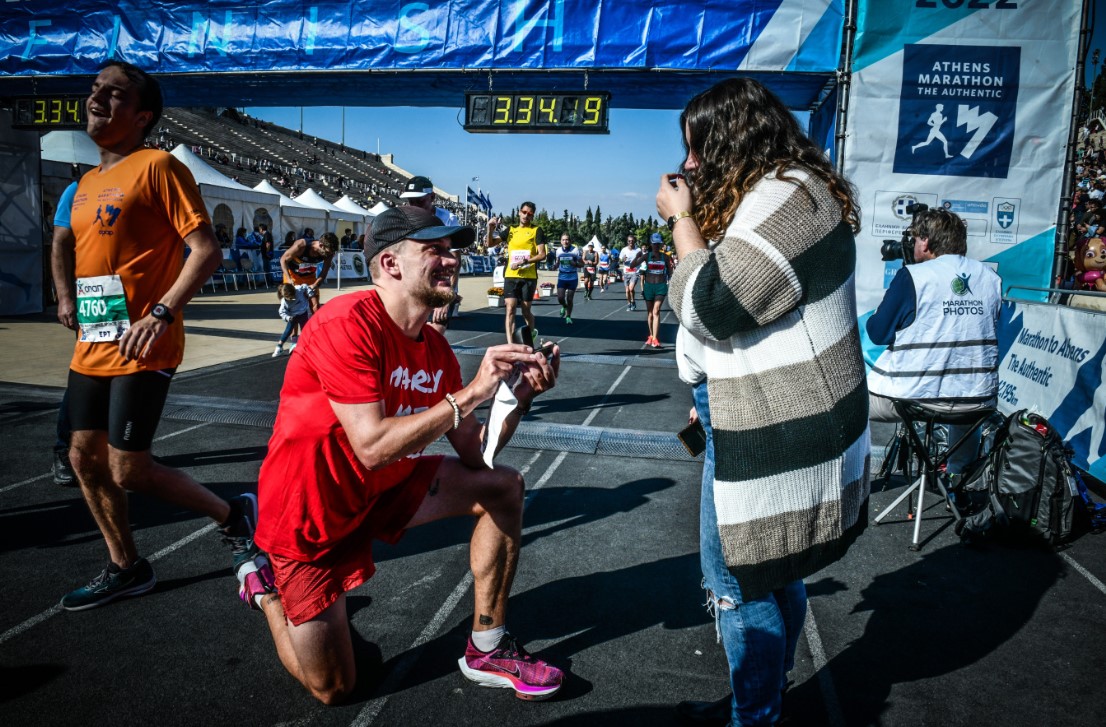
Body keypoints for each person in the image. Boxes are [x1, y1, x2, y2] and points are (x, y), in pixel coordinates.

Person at [247, 206, 564, 704]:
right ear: (391, 264)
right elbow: (371, 447)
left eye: (452, 249)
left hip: (380, 490)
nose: (452, 260)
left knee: (502, 484)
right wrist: (474, 392)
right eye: (435, 250)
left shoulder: (434, 350)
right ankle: (265, 589)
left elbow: (479, 456)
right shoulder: (344, 323)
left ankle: (488, 645)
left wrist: (516, 398)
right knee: (334, 688)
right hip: (310, 514)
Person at [655, 77, 870, 726]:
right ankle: (767, 690)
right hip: (748, 405)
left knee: (736, 580)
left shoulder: (786, 196)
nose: (690, 165)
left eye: (696, 149)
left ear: (731, 138)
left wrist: (681, 218)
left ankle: (755, 713)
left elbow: (716, 302)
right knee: (773, 568)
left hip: (767, 421)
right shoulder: (784, 192)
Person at [52, 61, 258, 611]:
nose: (98, 99)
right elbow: (70, 248)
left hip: (146, 341)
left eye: (115, 95)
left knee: (128, 467)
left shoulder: (158, 167)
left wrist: (161, 313)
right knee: (82, 458)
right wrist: (68, 296)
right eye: (95, 89)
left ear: (142, 117)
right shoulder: (85, 183)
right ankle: (126, 566)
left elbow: (206, 249)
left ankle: (232, 513)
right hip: (94, 339)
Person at [866, 207, 1001, 482]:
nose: (914, 244)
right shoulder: (991, 278)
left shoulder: (913, 277)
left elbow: (878, 334)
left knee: (844, 403)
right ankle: (958, 479)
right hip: (978, 402)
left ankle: (846, 478)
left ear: (925, 242)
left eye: (916, 239)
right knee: (963, 399)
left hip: (914, 399)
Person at [49, 180, 79, 487]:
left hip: (134, 304)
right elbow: (59, 243)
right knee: (84, 379)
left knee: (130, 378)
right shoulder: (80, 188)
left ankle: (126, 452)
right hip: (95, 301)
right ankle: (63, 449)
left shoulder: (145, 180)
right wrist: (65, 296)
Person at [488, 201, 546, 345]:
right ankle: (510, 344)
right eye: (524, 212)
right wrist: (490, 229)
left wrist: (524, 262)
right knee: (510, 309)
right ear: (519, 212)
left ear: (533, 216)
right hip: (511, 275)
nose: (526, 215)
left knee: (526, 312)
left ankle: (530, 340)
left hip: (529, 277)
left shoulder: (536, 230)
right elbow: (490, 244)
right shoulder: (511, 229)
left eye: (530, 214)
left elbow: (542, 254)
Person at [280, 231, 337, 313]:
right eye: (327, 252)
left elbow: (324, 271)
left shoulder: (330, 253)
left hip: (310, 277)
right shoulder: (301, 245)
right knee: (293, 308)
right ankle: (293, 324)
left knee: (315, 306)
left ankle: (315, 324)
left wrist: (316, 284)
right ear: (321, 245)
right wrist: (289, 279)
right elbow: (283, 260)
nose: (329, 255)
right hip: (293, 275)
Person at [641, 232, 672, 348]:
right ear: (651, 244)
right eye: (654, 244)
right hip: (649, 286)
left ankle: (655, 338)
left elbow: (669, 270)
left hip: (660, 286)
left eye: (658, 244)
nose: (656, 246)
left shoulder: (665, 256)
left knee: (656, 310)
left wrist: (670, 279)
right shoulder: (647, 256)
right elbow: (636, 265)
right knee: (650, 314)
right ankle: (651, 335)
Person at [272, 282, 313, 357]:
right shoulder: (284, 302)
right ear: (285, 296)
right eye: (290, 298)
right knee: (288, 331)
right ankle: (279, 347)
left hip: (303, 313)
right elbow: (281, 312)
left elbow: (305, 286)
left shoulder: (299, 289)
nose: (292, 299)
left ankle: (307, 346)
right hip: (292, 317)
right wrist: (287, 318)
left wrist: (310, 293)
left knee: (305, 330)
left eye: (293, 297)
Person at [553, 232, 583, 324]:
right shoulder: (558, 251)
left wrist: (575, 264)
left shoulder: (575, 250)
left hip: (572, 278)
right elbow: (558, 262)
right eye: (563, 240)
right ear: (561, 241)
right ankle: (564, 306)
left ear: (570, 241)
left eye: (567, 240)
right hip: (562, 277)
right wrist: (555, 266)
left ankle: (568, 316)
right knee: (560, 298)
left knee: (570, 299)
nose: (565, 241)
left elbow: (582, 264)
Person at [618, 234, 644, 311]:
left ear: (634, 241)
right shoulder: (624, 250)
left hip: (635, 272)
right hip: (626, 272)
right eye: (629, 241)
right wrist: (623, 259)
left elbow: (642, 259)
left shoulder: (638, 250)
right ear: (627, 241)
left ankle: (633, 301)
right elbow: (620, 260)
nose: (631, 242)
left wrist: (638, 262)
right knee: (627, 290)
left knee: (631, 288)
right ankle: (629, 303)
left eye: (632, 241)